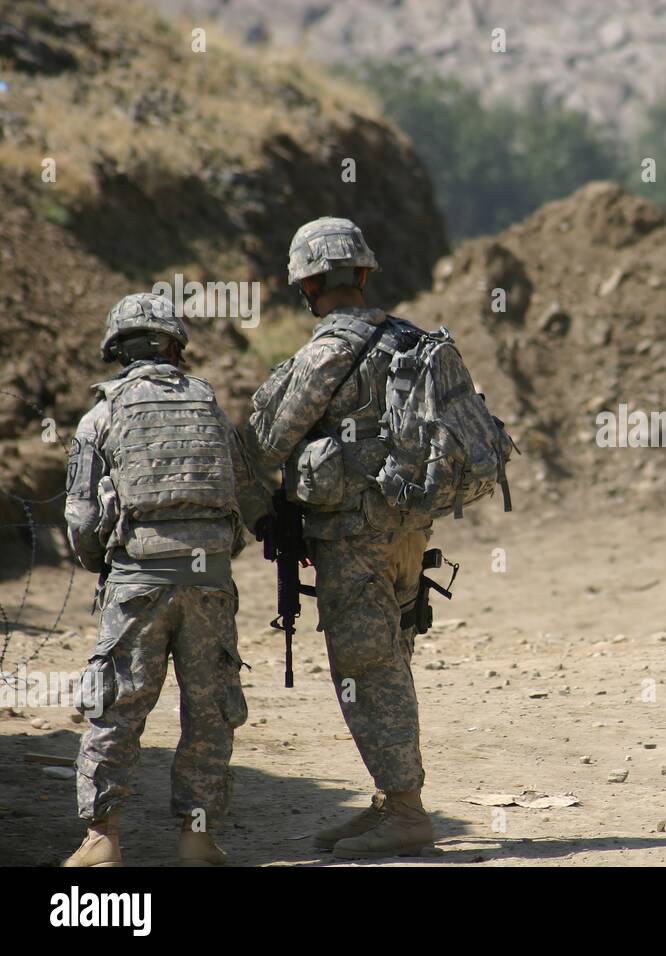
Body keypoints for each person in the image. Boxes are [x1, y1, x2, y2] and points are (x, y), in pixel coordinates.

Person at [245, 217, 436, 859]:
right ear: (361, 274)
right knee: (392, 655)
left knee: (367, 665)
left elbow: (271, 439)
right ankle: (391, 799)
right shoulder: (412, 340)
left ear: (306, 285)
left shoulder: (327, 351)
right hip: (411, 531)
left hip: (354, 535)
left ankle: (406, 813)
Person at [63, 293, 269, 867]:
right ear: (175, 345)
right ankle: (198, 839)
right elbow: (246, 492)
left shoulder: (101, 414)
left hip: (139, 582)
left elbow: (80, 520)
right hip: (210, 583)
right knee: (209, 711)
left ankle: (101, 840)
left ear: (117, 350)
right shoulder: (209, 406)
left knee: (118, 710)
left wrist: (102, 563)